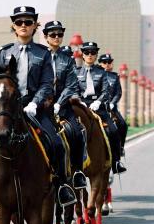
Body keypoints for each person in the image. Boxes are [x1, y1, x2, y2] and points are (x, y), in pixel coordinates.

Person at [0, 6, 76, 207]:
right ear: (14, 25)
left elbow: (47, 84)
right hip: (6, 110)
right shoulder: (3, 52)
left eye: (28, 22)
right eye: (19, 22)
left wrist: (34, 103)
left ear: (34, 26)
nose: (24, 26)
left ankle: (62, 186)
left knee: (57, 143)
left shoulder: (43, 53)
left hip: (34, 109)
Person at [43, 20, 87, 189]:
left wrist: (59, 104)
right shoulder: (39, 56)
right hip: (41, 106)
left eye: (59, 34)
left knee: (77, 132)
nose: (56, 37)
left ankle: (77, 173)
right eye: (52, 34)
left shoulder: (67, 60)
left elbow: (71, 85)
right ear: (46, 37)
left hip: (62, 107)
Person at [76, 42, 126, 174]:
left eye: (93, 53)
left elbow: (106, 92)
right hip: (81, 107)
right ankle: (71, 166)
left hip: (99, 107)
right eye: (87, 53)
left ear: (96, 55)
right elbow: (73, 90)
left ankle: (116, 162)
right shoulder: (76, 72)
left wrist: (98, 102)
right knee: (70, 131)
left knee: (114, 131)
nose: (90, 55)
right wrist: (80, 102)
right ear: (83, 55)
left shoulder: (102, 72)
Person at [98, 53, 128, 156]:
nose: (107, 64)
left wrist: (112, 103)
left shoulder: (115, 77)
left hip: (111, 108)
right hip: (97, 106)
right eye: (104, 62)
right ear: (100, 63)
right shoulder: (95, 74)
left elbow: (118, 93)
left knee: (123, 125)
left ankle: (120, 148)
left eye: (109, 62)